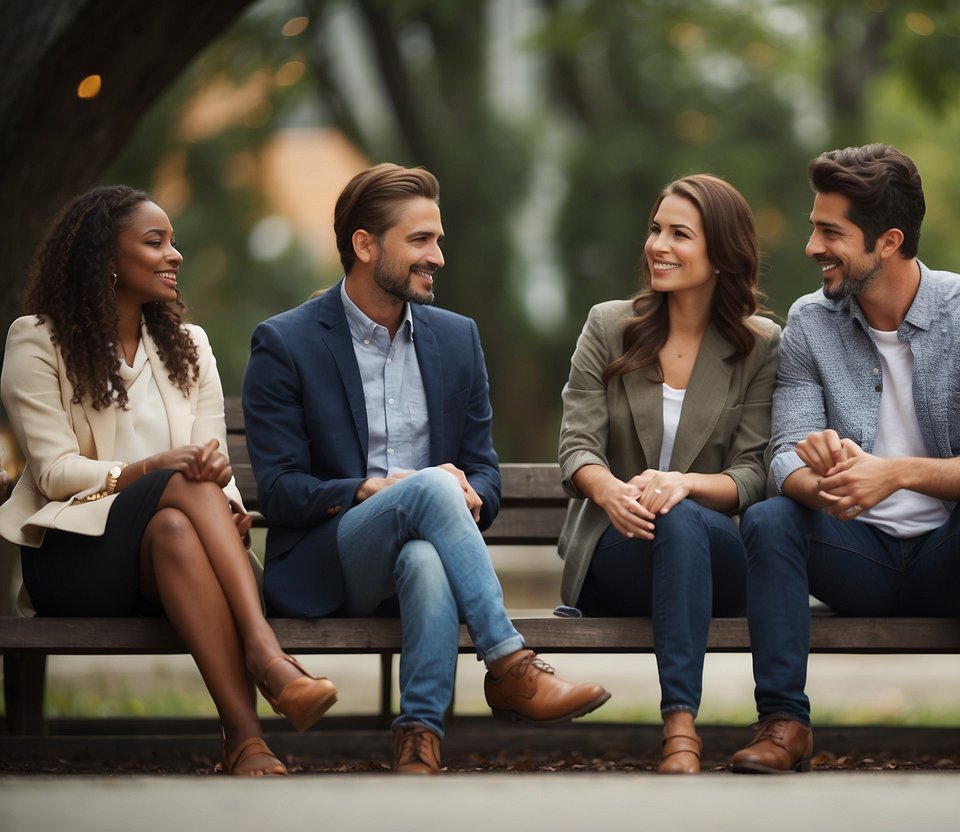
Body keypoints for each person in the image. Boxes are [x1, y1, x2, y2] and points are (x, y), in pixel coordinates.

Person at [241, 163, 610, 775]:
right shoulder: (286, 344)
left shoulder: (458, 339)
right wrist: (367, 488)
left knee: (424, 553)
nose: (437, 256)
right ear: (364, 245)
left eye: (438, 239)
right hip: (327, 564)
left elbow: (484, 474)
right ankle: (511, 666)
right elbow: (278, 492)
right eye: (420, 240)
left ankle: (419, 738)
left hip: (421, 560)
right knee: (430, 487)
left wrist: (468, 492)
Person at [0, 186, 337, 776]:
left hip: (171, 554)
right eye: (156, 242)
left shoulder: (190, 347)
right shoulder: (37, 340)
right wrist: (150, 469)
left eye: (173, 241)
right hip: (77, 558)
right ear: (106, 256)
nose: (174, 254)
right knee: (181, 478)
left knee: (181, 525)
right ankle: (267, 656)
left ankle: (246, 741)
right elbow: (54, 475)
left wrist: (230, 510)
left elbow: (214, 467)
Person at [732, 144, 960, 773]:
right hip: (854, 554)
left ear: (889, 240)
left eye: (830, 232)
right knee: (768, 519)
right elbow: (784, 459)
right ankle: (784, 723)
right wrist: (826, 481)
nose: (813, 246)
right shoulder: (810, 322)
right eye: (815, 227)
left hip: (947, 556)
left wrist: (892, 473)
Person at [558, 174, 781, 773]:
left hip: (714, 552)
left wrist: (682, 484)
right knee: (668, 518)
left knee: (682, 517)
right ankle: (680, 731)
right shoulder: (609, 326)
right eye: (656, 229)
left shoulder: (761, 346)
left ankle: (680, 724)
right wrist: (610, 491)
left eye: (680, 234)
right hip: (620, 546)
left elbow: (755, 474)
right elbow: (577, 446)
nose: (659, 244)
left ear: (721, 255)